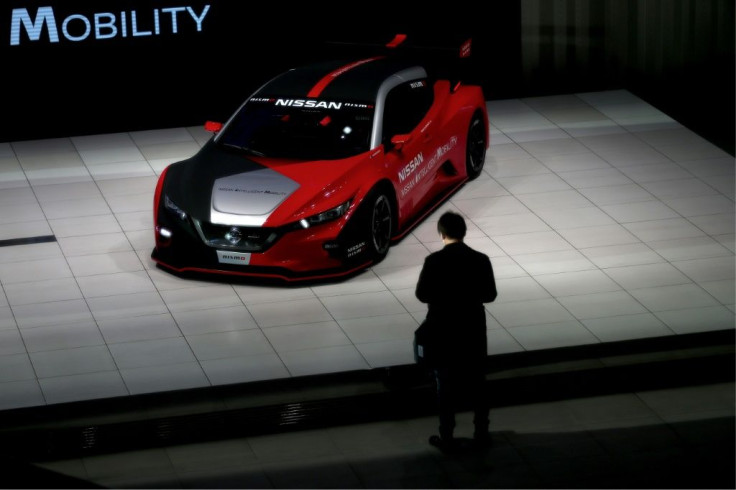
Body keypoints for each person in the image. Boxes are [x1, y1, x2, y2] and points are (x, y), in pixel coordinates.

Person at [415, 210, 497, 452]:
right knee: (478, 383)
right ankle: (481, 432)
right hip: (472, 329)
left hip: (443, 329)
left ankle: (447, 436)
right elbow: (490, 295)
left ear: (442, 234)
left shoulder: (433, 261)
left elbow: (422, 295)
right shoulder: (481, 259)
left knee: (445, 385)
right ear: (464, 232)